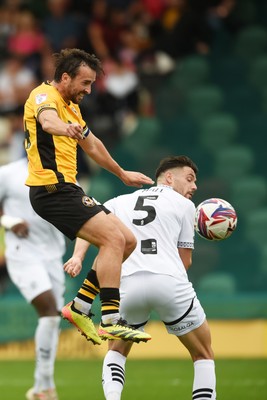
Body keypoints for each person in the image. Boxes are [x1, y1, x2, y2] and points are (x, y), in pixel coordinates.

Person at [23, 47, 153, 345]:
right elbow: (47, 122)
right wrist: (64, 128)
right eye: (85, 83)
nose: (89, 90)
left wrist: (122, 173)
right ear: (65, 77)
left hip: (68, 188)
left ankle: (81, 306)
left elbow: (92, 145)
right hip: (50, 189)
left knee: (128, 241)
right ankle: (110, 318)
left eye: (92, 83)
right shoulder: (44, 97)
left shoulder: (72, 107)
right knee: (113, 239)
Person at [64, 155, 216, 400]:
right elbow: (184, 261)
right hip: (169, 283)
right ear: (168, 178)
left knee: (116, 351)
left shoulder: (118, 201)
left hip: (126, 286)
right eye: (189, 179)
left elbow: (88, 224)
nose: (194, 186)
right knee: (203, 354)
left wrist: (78, 257)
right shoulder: (185, 206)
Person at [0, 157, 66, 400]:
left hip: (53, 254)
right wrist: (8, 221)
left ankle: (41, 387)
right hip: (23, 253)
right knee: (48, 310)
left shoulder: (64, 171)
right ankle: (44, 387)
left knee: (52, 319)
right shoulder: (8, 173)